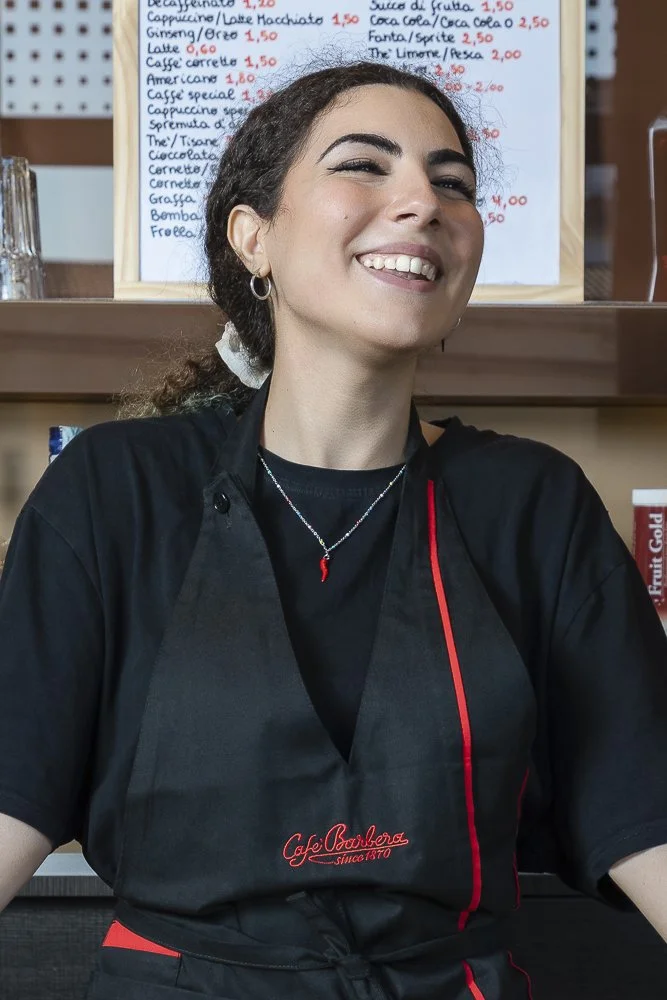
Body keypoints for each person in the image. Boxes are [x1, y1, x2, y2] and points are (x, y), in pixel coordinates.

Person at [1, 58, 667, 1000]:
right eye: (364, 164)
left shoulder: (531, 507)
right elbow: (11, 799)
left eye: (452, 184)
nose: (422, 203)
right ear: (253, 237)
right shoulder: (115, 493)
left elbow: (644, 816)